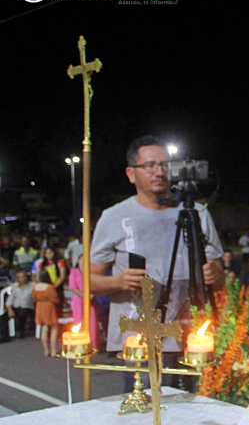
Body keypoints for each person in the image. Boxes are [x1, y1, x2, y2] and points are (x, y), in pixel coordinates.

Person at [90, 135, 225, 388]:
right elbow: (89, 280)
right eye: (150, 165)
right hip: (140, 339)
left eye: (165, 165)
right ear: (131, 173)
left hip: (194, 337)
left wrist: (215, 274)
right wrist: (117, 281)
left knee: (195, 421)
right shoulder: (114, 217)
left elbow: (218, 275)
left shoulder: (197, 213)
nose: (159, 172)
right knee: (143, 419)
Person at [68, 254, 100, 348]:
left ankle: (92, 344)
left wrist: (91, 295)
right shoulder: (74, 272)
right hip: (79, 300)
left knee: (92, 322)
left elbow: (97, 285)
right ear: (78, 262)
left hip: (91, 300)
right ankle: (80, 343)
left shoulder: (91, 273)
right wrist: (85, 296)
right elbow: (73, 287)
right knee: (79, 320)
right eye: (82, 260)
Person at [32, 269, 59, 357]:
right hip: (49, 307)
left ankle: (46, 350)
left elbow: (34, 298)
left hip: (40, 307)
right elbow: (55, 298)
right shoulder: (49, 287)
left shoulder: (35, 287)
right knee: (54, 328)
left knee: (44, 328)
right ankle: (54, 350)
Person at [7, 269, 35, 339]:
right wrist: (10, 309)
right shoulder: (15, 286)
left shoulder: (32, 285)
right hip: (16, 306)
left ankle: (20, 331)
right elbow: (10, 299)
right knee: (3, 316)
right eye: (20, 277)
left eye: (23, 276)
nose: (22, 279)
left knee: (22, 313)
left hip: (27, 307)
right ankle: (5, 334)